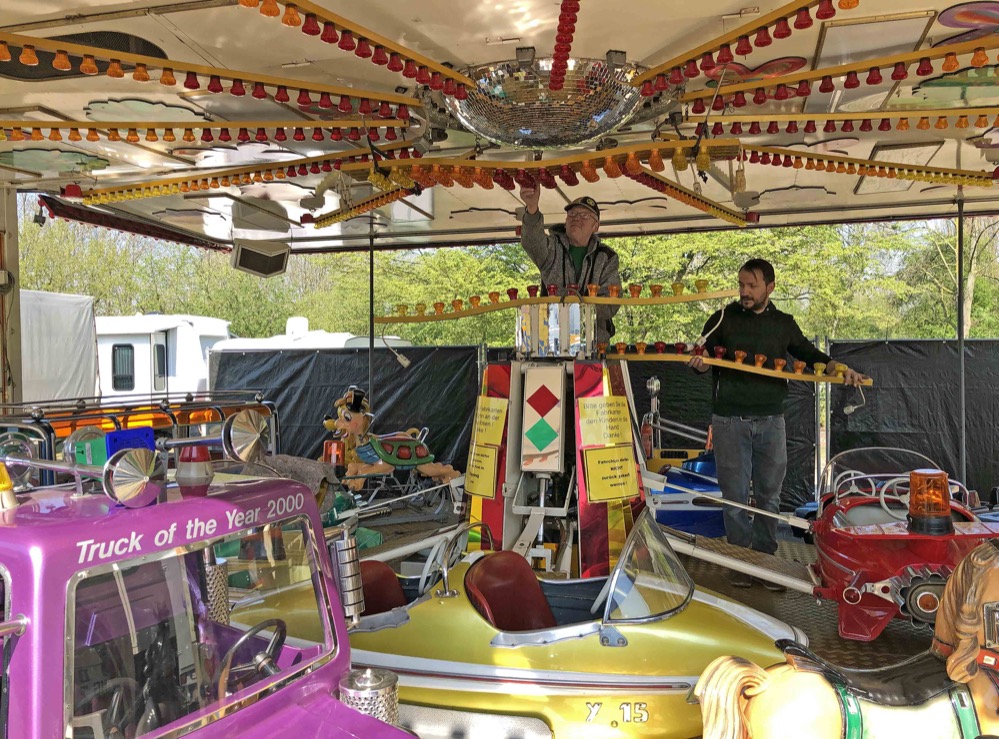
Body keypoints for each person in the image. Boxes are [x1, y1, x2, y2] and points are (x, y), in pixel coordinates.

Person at [689, 258, 867, 590]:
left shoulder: (783, 324)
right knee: (735, 496)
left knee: (770, 496)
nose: (744, 291)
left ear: (770, 287)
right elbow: (699, 356)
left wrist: (843, 371)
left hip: (772, 421)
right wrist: (698, 364)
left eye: (752, 285)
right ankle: (740, 563)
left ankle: (766, 562)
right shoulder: (723, 318)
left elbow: (810, 354)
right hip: (730, 421)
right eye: (741, 284)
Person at [519, 184, 621, 344]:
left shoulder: (606, 257)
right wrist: (532, 209)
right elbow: (532, 242)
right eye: (572, 214)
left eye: (585, 216)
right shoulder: (552, 247)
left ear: (596, 226)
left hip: (593, 344)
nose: (577, 218)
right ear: (565, 221)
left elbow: (611, 304)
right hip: (551, 342)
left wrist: (574, 311)